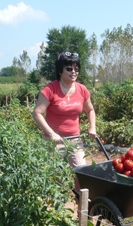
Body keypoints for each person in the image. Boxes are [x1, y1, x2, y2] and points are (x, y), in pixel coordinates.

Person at [32, 51, 96, 189]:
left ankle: (81, 207)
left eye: (76, 68)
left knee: (81, 174)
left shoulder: (82, 89)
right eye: (69, 68)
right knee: (57, 178)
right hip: (55, 142)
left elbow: (90, 110)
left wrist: (92, 127)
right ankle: (58, 207)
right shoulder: (50, 89)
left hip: (75, 140)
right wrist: (51, 134)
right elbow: (37, 113)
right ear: (60, 70)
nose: (74, 72)